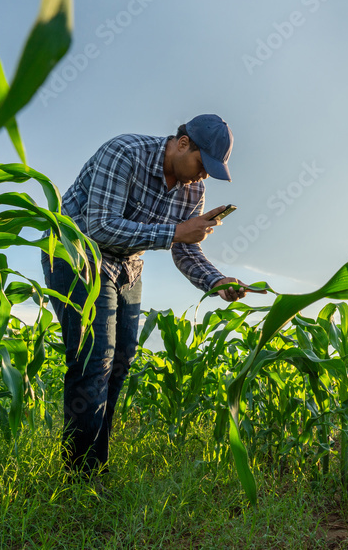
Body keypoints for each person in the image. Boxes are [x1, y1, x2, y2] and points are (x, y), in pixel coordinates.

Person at [40, 113, 254, 478]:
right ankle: (79, 476)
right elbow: (100, 225)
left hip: (126, 266)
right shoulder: (125, 153)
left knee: (120, 363)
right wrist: (175, 231)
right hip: (78, 255)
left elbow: (184, 247)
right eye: (203, 165)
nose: (204, 177)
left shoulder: (193, 189)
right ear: (183, 143)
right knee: (95, 362)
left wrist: (216, 282)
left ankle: (95, 468)